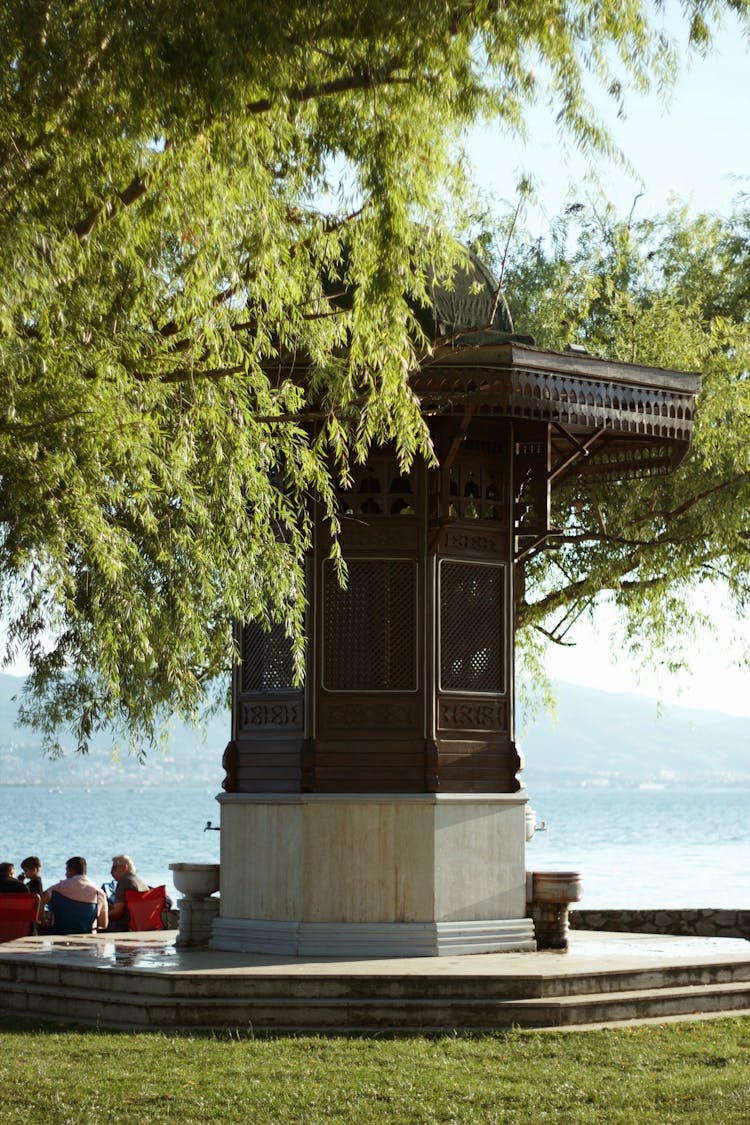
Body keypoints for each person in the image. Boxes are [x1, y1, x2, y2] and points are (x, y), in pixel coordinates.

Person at [40, 857, 108, 933]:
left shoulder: (58, 887)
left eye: (66, 871)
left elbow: (40, 902)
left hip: (60, 934)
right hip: (88, 938)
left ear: (72, 870)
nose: (65, 874)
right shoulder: (99, 892)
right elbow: (103, 924)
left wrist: (43, 922)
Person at [107, 854, 148, 932]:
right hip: (141, 924)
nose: (111, 872)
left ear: (125, 867)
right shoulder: (139, 882)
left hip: (125, 927)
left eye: (114, 868)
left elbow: (117, 913)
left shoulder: (123, 882)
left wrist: (100, 917)